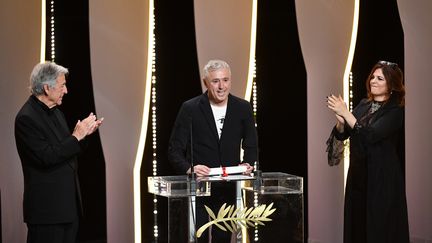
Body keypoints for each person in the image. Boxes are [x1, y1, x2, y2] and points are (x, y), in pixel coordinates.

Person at [168, 59, 258, 242]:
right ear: (206, 83)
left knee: (223, 239)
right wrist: (189, 168)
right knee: (198, 239)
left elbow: (252, 144)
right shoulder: (190, 108)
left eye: (225, 80)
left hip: (227, 189)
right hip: (198, 190)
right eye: (215, 81)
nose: (221, 86)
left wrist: (248, 163)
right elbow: (174, 149)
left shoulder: (243, 107)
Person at [14, 61, 103, 243]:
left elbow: (66, 150)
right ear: (47, 88)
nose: (66, 90)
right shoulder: (26, 119)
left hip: (68, 210)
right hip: (47, 214)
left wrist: (84, 135)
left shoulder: (56, 112)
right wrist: (76, 136)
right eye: (62, 85)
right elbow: (47, 157)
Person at [326, 60, 409, 243]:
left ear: (392, 85)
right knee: (358, 226)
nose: (373, 80)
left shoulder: (396, 110)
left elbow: (370, 135)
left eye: (380, 78)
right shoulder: (363, 105)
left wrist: (347, 113)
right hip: (359, 177)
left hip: (382, 179)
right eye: (373, 76)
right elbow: (344, 135)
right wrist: (341, 121)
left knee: (379, 228)